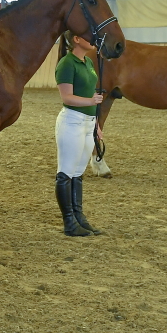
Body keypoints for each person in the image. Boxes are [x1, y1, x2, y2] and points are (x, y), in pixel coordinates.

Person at [54, 31, 105, 237]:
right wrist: (92, 102)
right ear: (76, 39)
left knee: (78, 173)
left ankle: (79, 217)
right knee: (65, 172)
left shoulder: (88, 63)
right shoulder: (67, 63)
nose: (93, 40)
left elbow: (89, 93)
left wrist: (96, 124)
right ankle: (69, 222)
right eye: (87, 36)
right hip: (72, 121)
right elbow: (67, 97)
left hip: (87, 122)